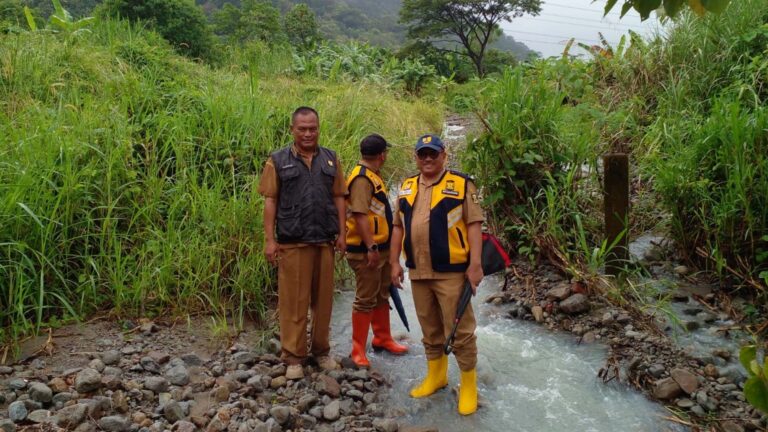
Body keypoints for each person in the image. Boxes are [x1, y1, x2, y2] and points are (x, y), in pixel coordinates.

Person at [389, 134, 484, 415]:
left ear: (444, 155)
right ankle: (436, 375)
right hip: (418, 271)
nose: (428, 158)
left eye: (433, 153)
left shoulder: (461, 184)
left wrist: (475, 264)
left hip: (452, 271)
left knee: (460, 331)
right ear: (416, 157)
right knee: (429, 328)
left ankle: (469, 385)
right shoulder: (407, 187)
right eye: (423, 154)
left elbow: (474, 224)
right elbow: (397, 227)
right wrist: (394, 263)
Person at [258, 106, 347, 380]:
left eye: (313, 128)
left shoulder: (331, 159)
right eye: (302, 129)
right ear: (292, 130)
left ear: (318, 129)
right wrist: (270, 240)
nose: (308, 134)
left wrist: (342, 233)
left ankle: (321, 351)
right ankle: (293, 356)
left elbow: (339, 197)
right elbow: (270, 200)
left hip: (324, 241)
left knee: (324, 302)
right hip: (293, 242)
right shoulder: (277, 160)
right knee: (293, 302)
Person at [345, 134, 408, 368]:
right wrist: (370, 246)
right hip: (366, 250)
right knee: (365, 299)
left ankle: (382, 338)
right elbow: (360, 215)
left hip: (380, 248)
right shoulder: (361, 179)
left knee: (382, 294)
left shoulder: (372, 175)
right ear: (382, 155)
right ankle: (357, 351)